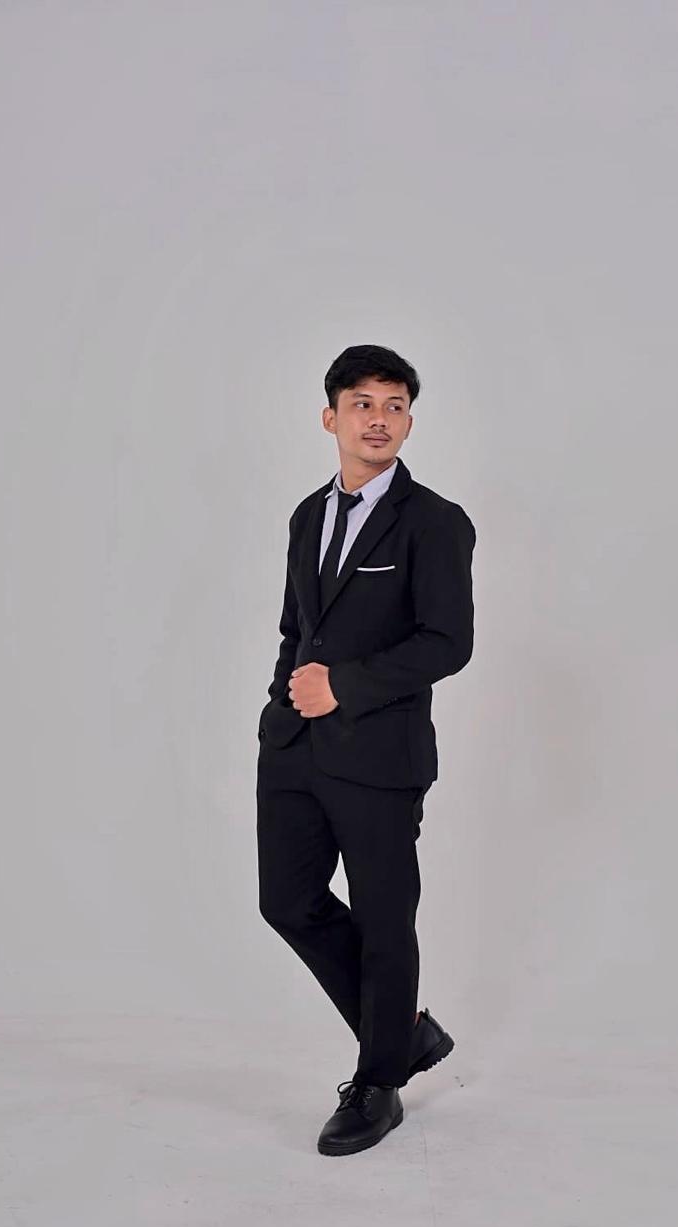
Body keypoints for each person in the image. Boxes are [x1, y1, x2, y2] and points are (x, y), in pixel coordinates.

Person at [256, 343, 476, 1156]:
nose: (378, 419)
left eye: (393, 406)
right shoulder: (306, 515)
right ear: (331, 418)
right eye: (361, 404)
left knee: (385, 921)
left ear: (408, 422)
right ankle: (404, 1032)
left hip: (380, 756)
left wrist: (342, 687)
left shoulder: (434, 522)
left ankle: (379, 1081)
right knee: (287, 902)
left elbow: (447, 642)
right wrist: (281, 706)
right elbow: (296, 628)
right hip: (293, 746)